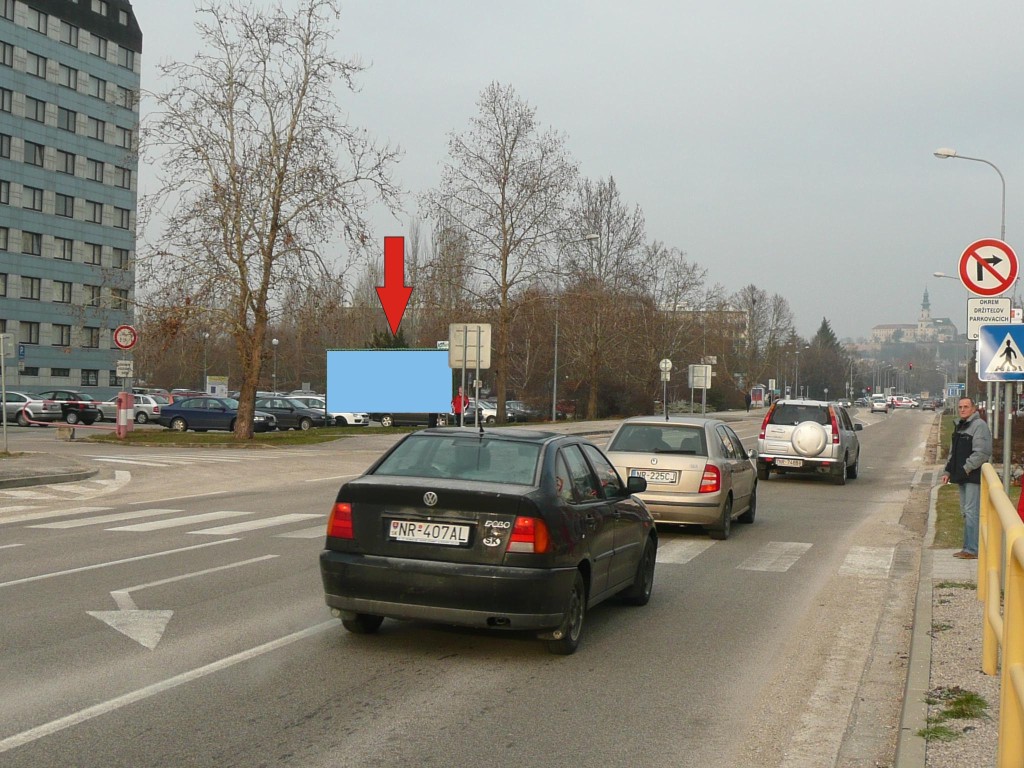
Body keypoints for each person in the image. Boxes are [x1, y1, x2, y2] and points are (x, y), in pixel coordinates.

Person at [940, 397, 993, 560]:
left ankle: (972, 549)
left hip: (972, 476)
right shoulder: (960, 426)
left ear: (973, 409)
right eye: (960, 407)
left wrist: (967, 468)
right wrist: (947, 471)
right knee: (965, 511)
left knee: (971, 512)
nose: (962, 409)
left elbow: (982, 452)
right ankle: (967, 547)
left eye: (966, 407)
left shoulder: (979, 426)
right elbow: (953, 453)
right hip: (961, 476)